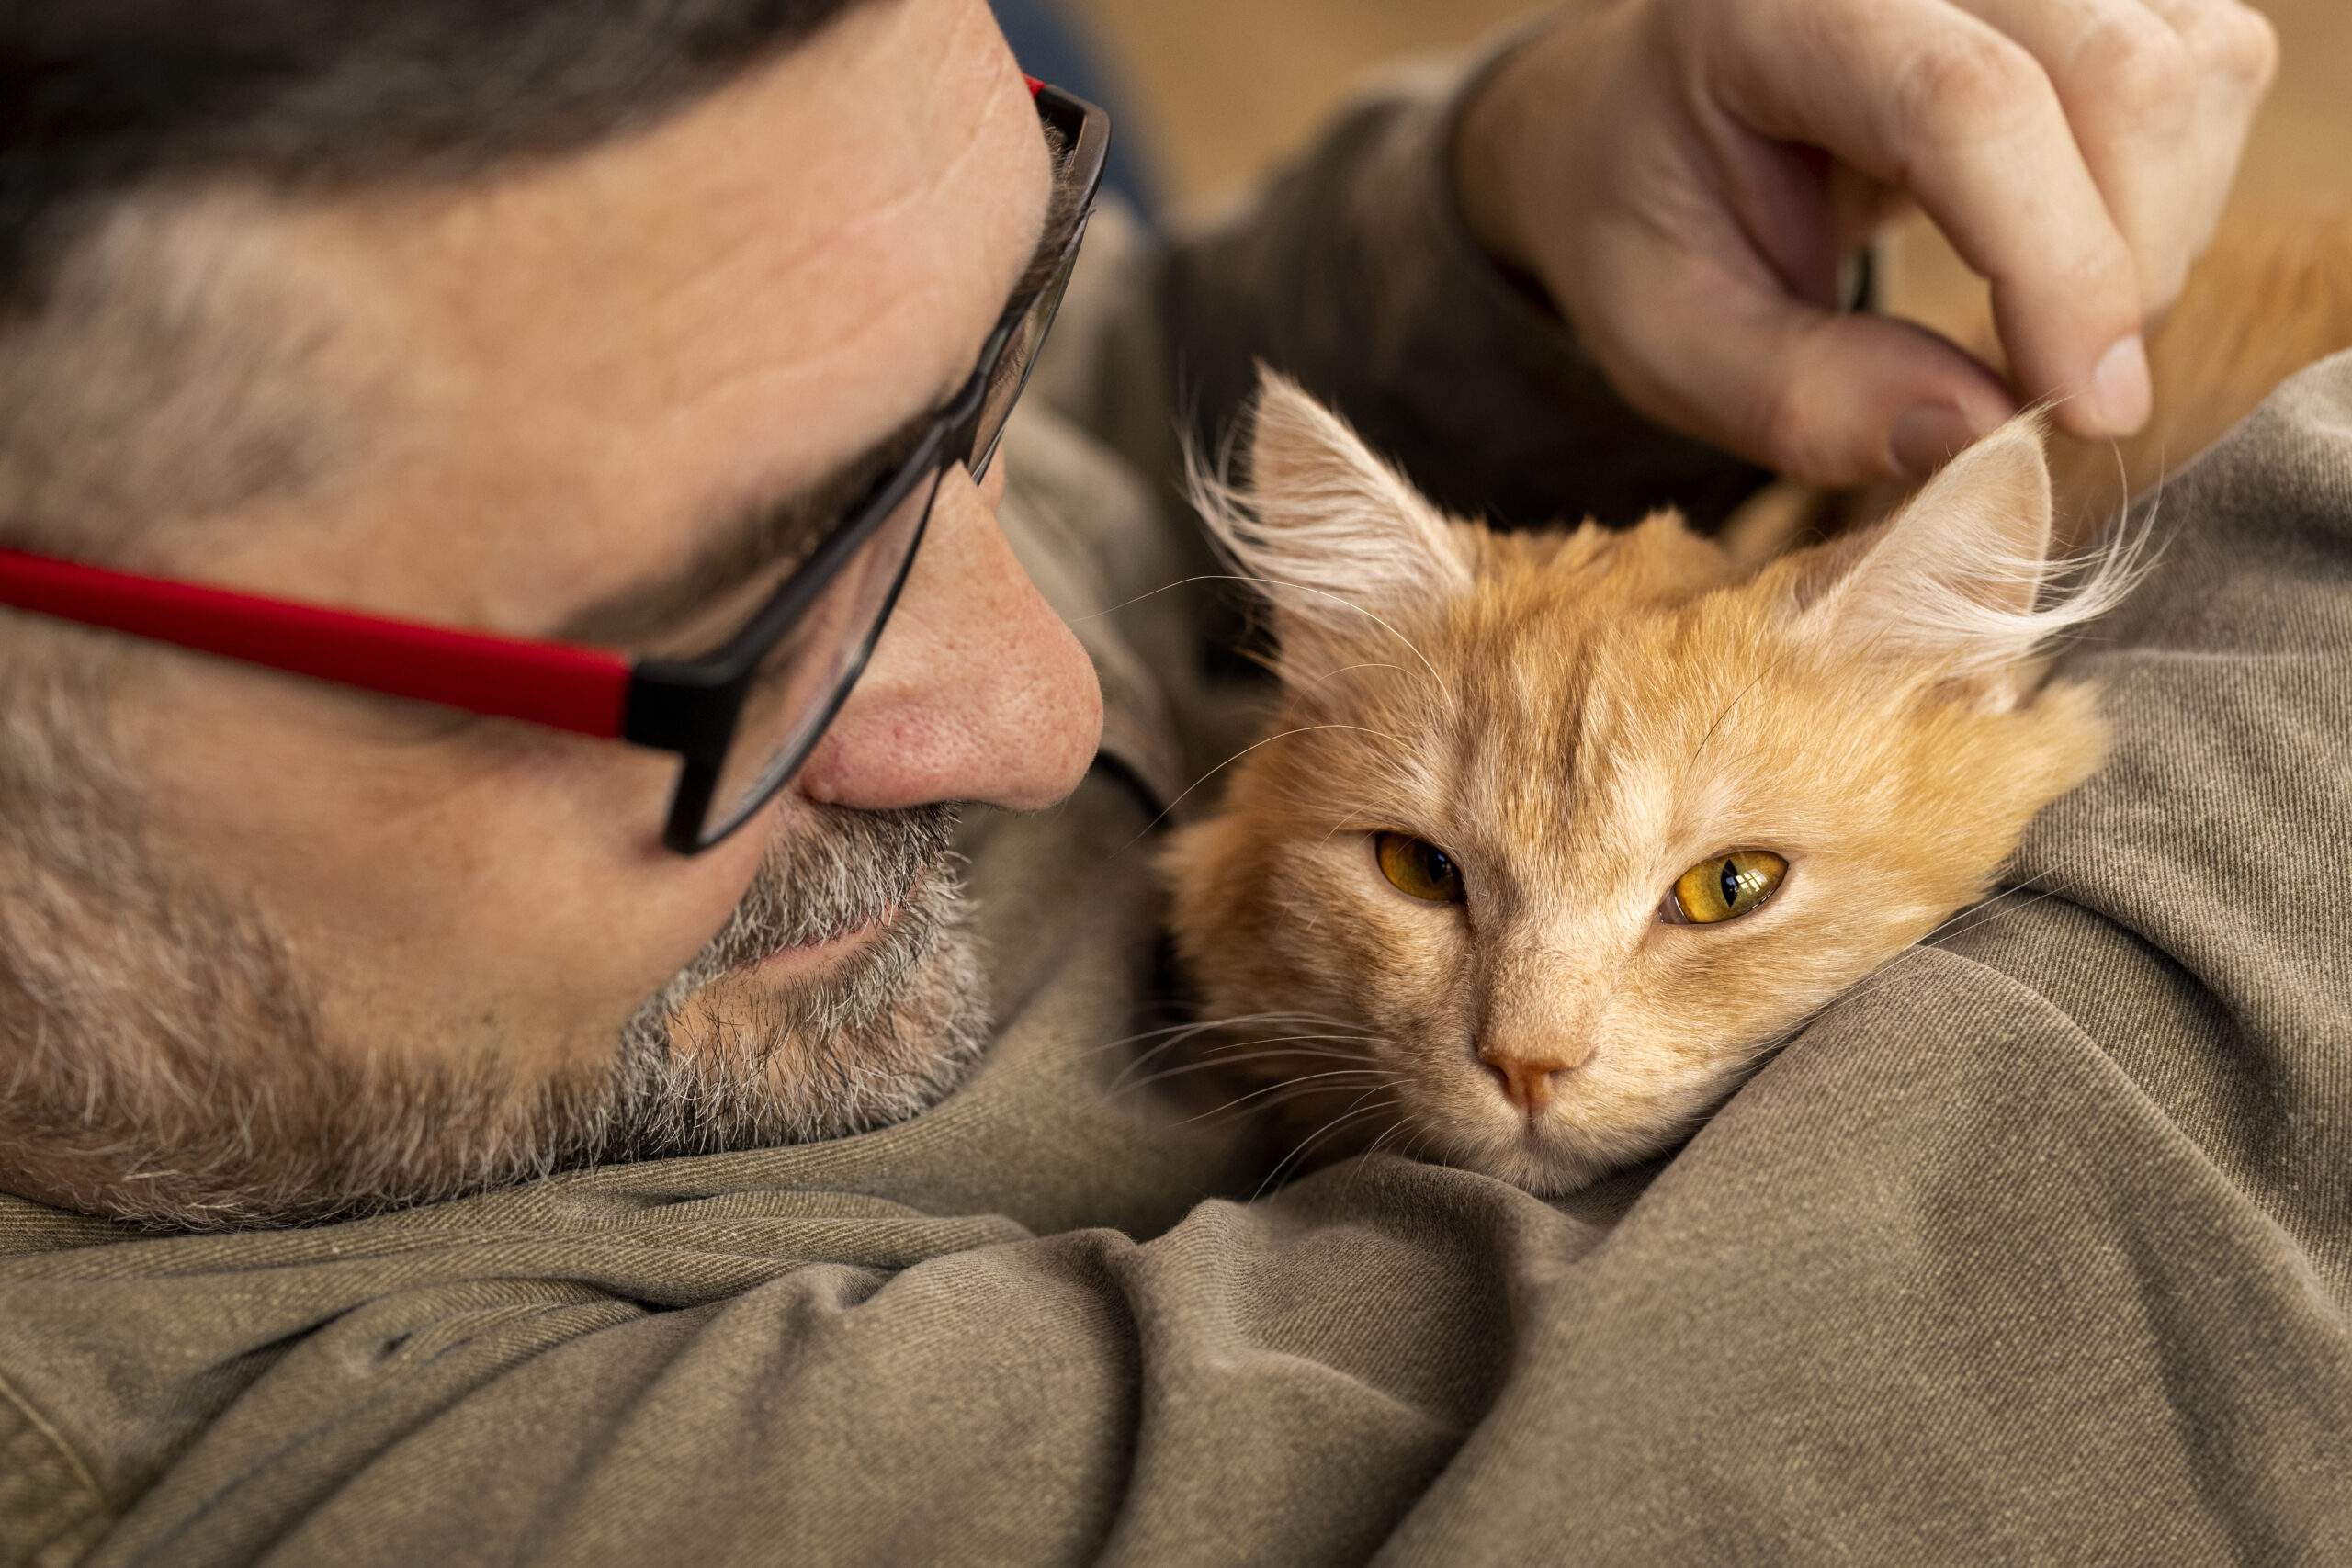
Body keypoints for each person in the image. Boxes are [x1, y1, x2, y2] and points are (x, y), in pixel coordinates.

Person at [4, 0, 2342, 1561]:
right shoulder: (238, 1463)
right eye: (708, 615)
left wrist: (1498, 235)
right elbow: (1917, 1339)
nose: (1053, 710)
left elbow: (960, 372)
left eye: (969, 401)